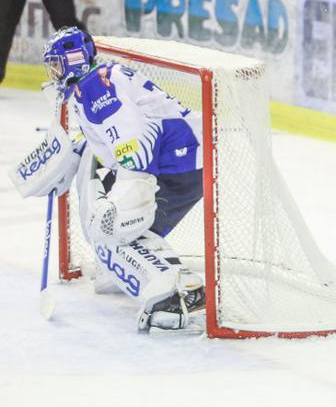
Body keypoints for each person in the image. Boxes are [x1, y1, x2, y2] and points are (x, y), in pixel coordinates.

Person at [9, 27, 205, 332]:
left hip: (179, 163)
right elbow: (113, 138)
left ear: (74, 60)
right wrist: (70, 153)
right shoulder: (91, 85)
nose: (53, 72)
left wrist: (125, 203)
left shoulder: (96, 89)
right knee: (112, 247)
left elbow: (135, 146)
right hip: (176, 160)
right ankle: (158, 275)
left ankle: (176, 293)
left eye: (57, 64)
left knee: (113, 229)